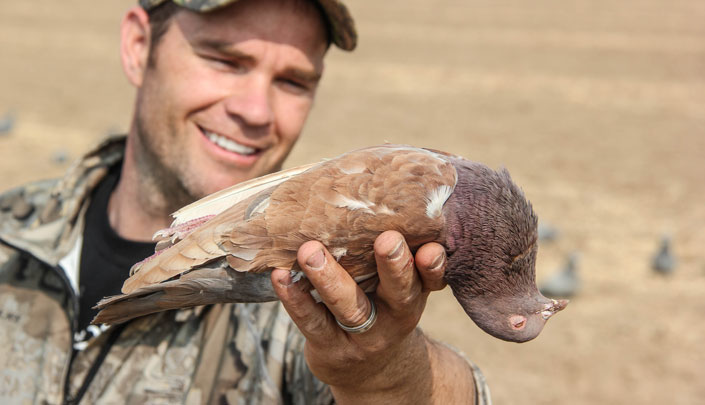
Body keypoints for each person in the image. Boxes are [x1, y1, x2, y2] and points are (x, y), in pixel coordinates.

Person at [0, 0, 491, 403]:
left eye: (293, 81)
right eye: (225, 60)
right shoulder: (10, 232)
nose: (256, 111)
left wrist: (388, 375)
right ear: (137, 45)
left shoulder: (313, 303)